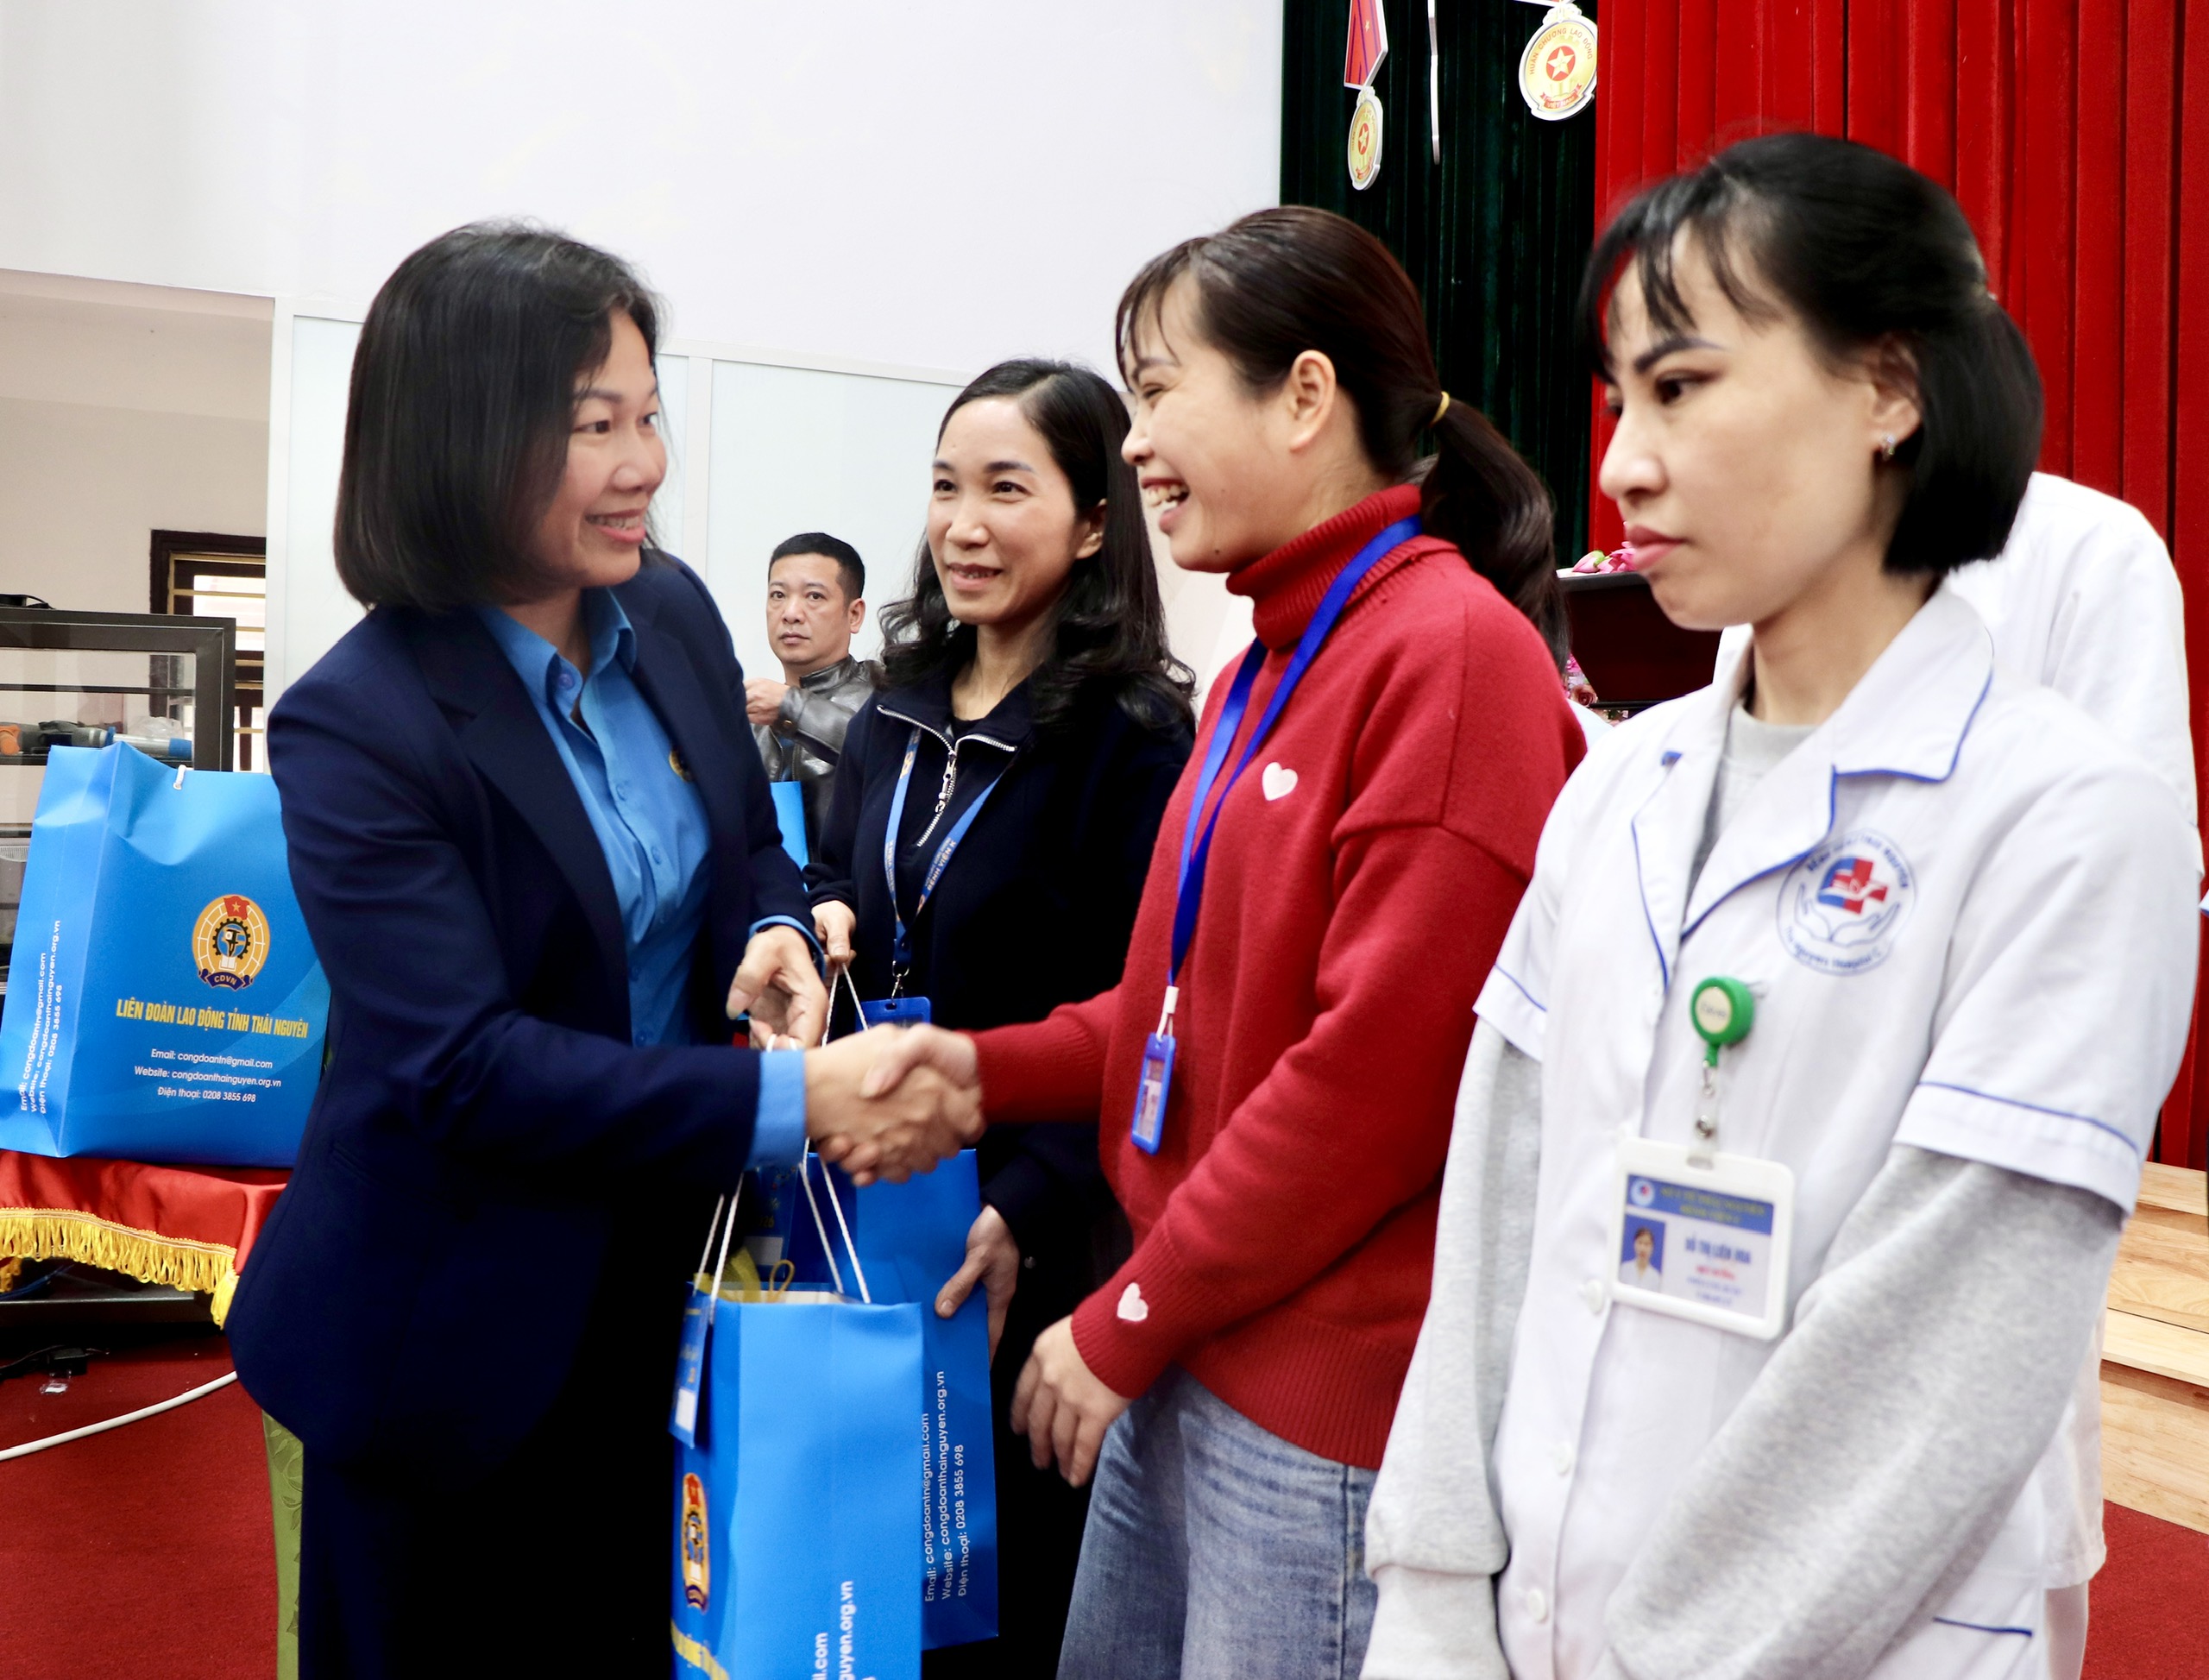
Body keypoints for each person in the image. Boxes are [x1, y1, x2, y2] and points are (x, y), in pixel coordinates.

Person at [1361, 134, 2200, 1680]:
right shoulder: (1619, 785)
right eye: (1620, 400)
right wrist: (1431, 1604)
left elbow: (1940, 1346)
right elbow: (1500, 1206)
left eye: (1681, 387)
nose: (1622, 465)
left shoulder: (2069, 819)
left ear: (1889, 387)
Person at [839, 206, 1586, 1680]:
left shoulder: (1450, 655)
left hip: (1313, 1410)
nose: (1136, 441)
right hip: (1191, 1337)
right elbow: (1181, 1005)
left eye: (1160, 389)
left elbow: (1374, 1085)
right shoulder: (1266, 664)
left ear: (1303, 397)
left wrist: (1128, 1309)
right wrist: (976, 1071)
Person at [224, 223, 975, 1678]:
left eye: (648, 415)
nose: (646, 463)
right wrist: (797, 1097)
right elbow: (464, 1066)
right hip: (446, 1328)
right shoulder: (358, 721)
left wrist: (771, 928)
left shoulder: (669, 611)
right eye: (594, 425)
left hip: (659, 1286)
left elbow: (745, 839)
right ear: (464, 437)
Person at [1713, 468, 2199, 1680]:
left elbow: (2125, 897)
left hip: (1968, 1155)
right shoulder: (1775, 540)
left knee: (1982, 1544)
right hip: (1763, 1154)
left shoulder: (2084, 549)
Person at [808, 357, 1196, 1676]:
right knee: (860, 1571)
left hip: (1031, 1221)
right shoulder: (892, 711)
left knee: (997, 1582)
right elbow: (839, 868)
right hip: (874, 1196)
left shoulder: (1133, 737)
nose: (963, 525)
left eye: (1006, 490)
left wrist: (1025, 1205)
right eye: (945, 487)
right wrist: (822, 909)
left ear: (1092, 523)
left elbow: (1145, 1008)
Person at [749, 532, 879, 851]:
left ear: (854, 614)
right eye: (778, 595)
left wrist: (789, 707)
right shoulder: (749, 720)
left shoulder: (887, 692)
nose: (791, 613)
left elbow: (889, 756)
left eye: (814, 596)